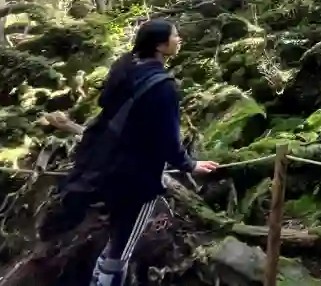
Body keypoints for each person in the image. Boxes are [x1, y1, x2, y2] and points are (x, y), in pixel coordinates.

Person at [38, 18, 218, 286]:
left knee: (116, 239)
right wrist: (190, 165)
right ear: (160, 45)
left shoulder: (125, 65)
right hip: (136, 179)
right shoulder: (163, 87)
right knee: (122, 247)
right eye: (175, 35)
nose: (179, 39)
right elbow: (168, 140)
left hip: (102, 166)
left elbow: (105, 104)